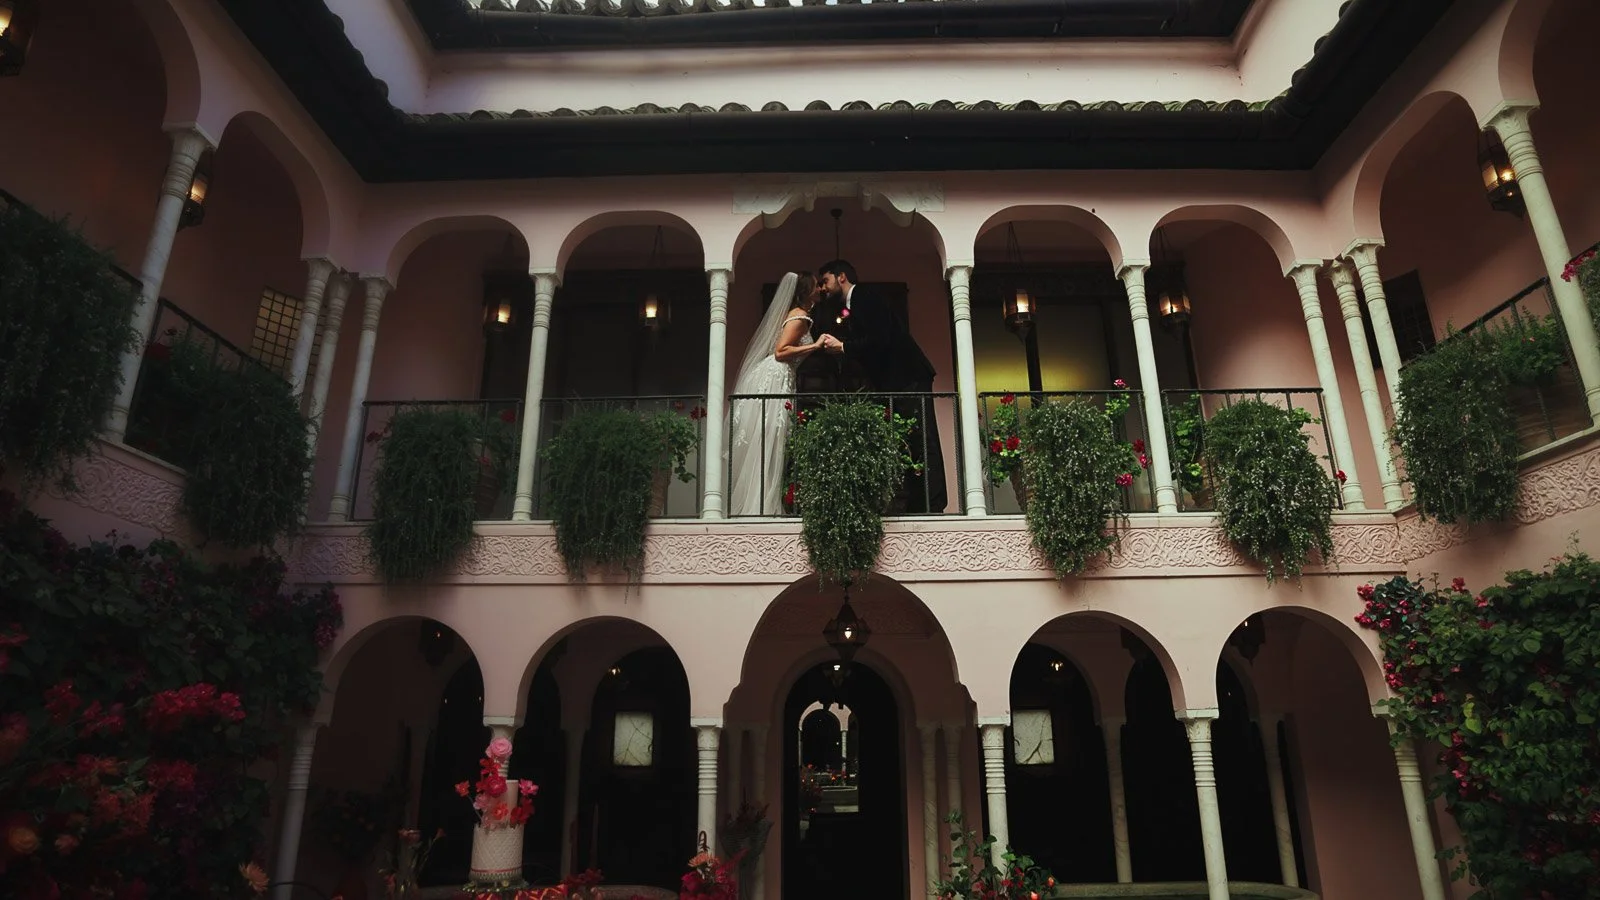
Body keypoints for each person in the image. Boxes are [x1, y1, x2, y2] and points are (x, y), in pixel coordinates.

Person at [815, 259, 948, 513]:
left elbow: (881, 338)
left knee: (922, 438)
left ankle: (933, 503)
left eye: (825, 281)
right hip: (897, 380)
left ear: (841, 276)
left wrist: (843, 347)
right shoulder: (854, 305)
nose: (822, 288)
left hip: (908, 376)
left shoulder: (864, 295)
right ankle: (919, 502)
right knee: (909, 439)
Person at [727, 272, 825, 516]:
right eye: (816, 286)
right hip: (776, 375)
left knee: (770, 437)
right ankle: (760, 506)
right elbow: (782, 352)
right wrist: (816, 345)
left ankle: (762, 502)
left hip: (778, 375)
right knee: (770, 436)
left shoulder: (796, 315)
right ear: (806, 291)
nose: (820, 290)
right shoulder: (801, 317)